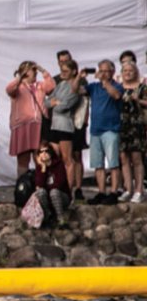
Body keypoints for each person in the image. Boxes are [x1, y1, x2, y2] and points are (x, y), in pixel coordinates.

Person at [47, 52, 87, 198]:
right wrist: (54, 102)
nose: (62, 73)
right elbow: (47, 102)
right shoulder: (61, 84)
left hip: (67, 125)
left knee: (69, 158)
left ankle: (69, 190)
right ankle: (56, 185)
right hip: (55, 125)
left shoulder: (76, 85)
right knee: (53, 157)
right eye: (61, 70)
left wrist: (56, 103)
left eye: (65, 71)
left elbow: (63, 106)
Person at [85, 58, 124, 203]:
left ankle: (114, 192)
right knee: (98, 164)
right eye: (101, 71)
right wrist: (79, 77)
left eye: (106, 71)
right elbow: (76, 90)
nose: (103, 74)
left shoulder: (117, 86)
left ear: (112, 72)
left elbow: (116, 95)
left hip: (111, 130)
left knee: (113, 163)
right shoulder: (93, 87)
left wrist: (106, 82)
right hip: (95, 130)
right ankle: (101, 192)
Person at [5, 61, 54, 176]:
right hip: (22, 126)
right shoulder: (18, 87)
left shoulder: (39, 85)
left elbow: (51, 86)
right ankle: (23, 184)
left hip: (39, 125)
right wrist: (20, 77)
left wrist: (43, 71)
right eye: (33, 71)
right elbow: (9, 89)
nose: (35, 73)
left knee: (41, 156)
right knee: (23, 158)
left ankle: (40, 184)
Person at [119, 52, 147, 203]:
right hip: (122, 125)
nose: (127, 73)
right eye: (125, 71)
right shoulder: (119, 88)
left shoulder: (142, 87)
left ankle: (139, 190)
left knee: (137, 158)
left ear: (135, 72)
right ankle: (128, 188)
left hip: (136, 125)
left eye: (130, 71)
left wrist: (139, 101)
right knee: (124, 158)